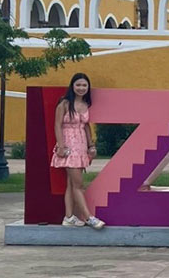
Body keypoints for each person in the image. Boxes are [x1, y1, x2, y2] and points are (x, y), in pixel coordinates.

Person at [51, 72, 105, 229]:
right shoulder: (65, 104)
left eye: (84, 85)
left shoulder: (86, 105)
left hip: (81, 146)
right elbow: (57, 125)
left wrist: (91, 145)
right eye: (78, 85)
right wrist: (61, 146)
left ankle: (68, 217)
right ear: (72, 86)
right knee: (79, 185)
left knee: (71, 183)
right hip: (69, 147)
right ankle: (89, 217)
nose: (81, 88)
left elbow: (86, 125)